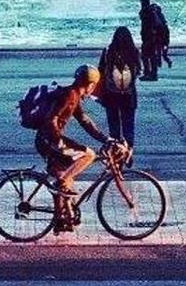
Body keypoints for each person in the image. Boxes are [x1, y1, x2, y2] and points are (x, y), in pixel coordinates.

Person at [35, 64, 111, 232]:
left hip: (46, 139)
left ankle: (62, 219)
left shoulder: (74, 94)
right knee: (88, 155)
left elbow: (84, 121)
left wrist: (105, 138)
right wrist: (58, 141)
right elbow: (52, 118)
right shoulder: (70, 95)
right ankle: (61, 186)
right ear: (90, 84)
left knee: (64, 177)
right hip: (48, 140)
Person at [98, 27, 141, 151]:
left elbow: (100, 70)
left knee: (114, 126)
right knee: (128, 125)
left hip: (111, 94)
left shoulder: (107, 51)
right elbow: (138, 71)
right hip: (128, 95)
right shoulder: (134, 51)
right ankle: (128, 150)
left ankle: (116, 153)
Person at [138, 0, 160, 81]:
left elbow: (149, 23)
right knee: (151, 55)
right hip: (150, 36)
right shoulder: (152, 10)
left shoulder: (146, 11)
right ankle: (152, 73)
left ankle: (148, 73)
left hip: (148, 36)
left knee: (146, 56)